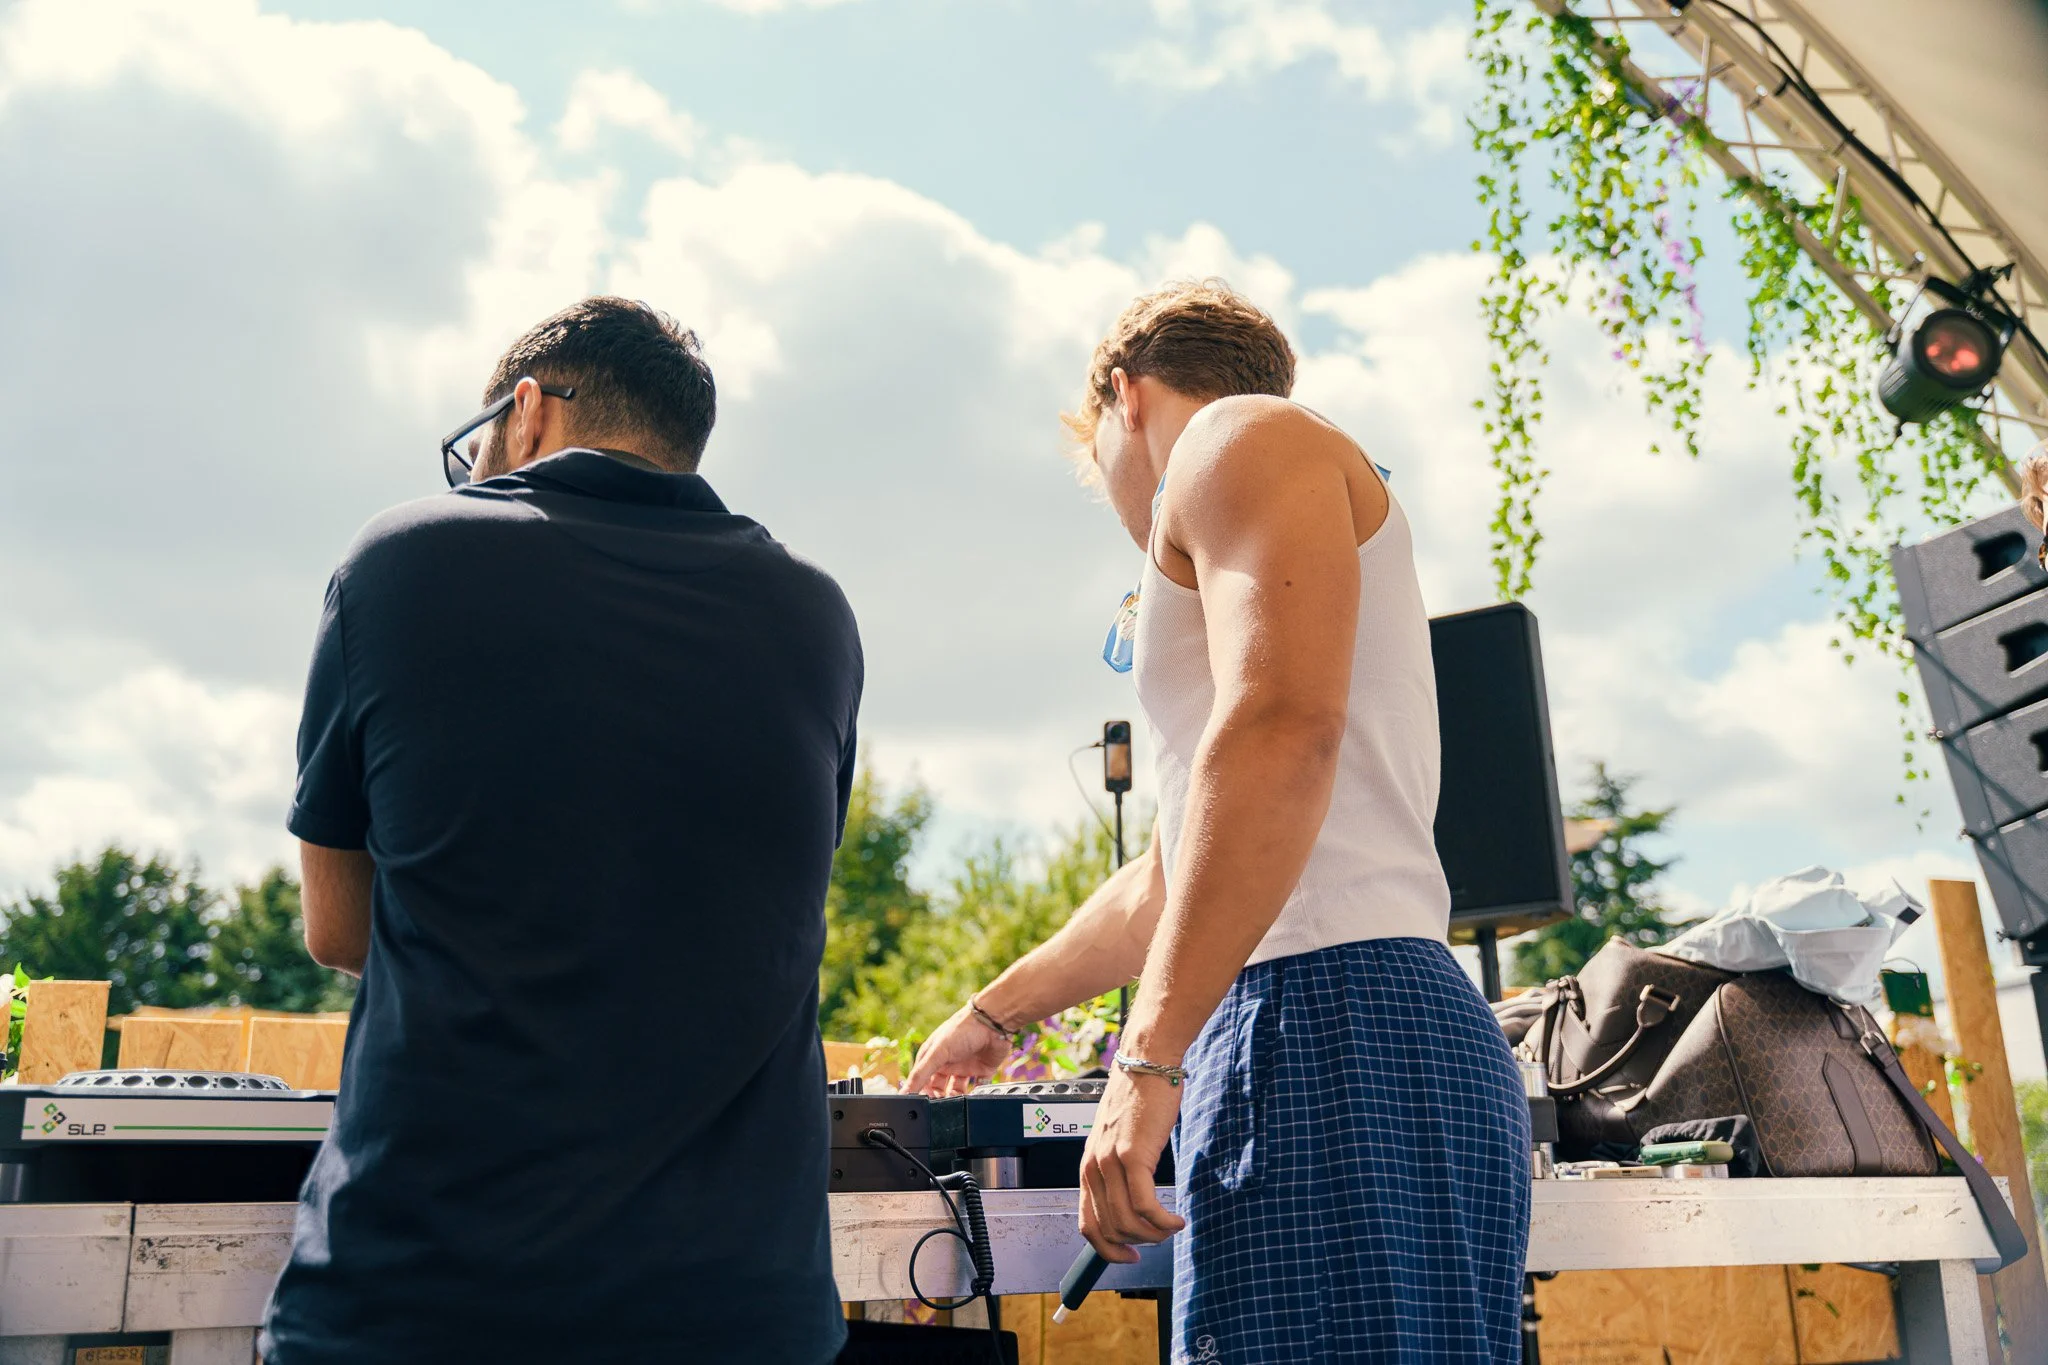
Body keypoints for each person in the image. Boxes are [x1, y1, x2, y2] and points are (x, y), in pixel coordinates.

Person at [907, 281, 1531, 1362]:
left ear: (1123, 397)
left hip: (1329, 1015)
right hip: (1329, 1021)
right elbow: (1171, 874)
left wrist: (1142, 1066)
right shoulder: (1253, 470)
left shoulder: (1236, 435)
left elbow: (1283, 732)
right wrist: (994, 1014)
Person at [264, 297, 861, 1365]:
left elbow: (338, 929)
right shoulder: (816, 615)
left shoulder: (403, 560)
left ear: (526, 412)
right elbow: (763, 914)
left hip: (435, 1297)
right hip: (738, 1314)